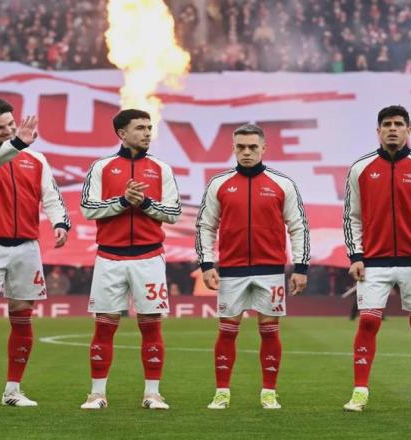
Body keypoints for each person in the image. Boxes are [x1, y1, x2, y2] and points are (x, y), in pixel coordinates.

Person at [0, 97, 71, 409]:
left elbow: (51, 195)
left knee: (22, 316)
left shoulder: (36, 159)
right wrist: (18, 144)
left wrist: (60, 223)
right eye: (0, 128)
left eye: (11, 124)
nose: (9, 131)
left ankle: (13, 391)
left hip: (26, 246)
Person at [343, 105, 411, 412]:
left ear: (408, 130)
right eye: (387, 124)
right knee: (367, 321)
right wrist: (356, 255)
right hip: (373, 261)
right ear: (378, 131)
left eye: (398, 124)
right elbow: (351, 216)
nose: (393, 128)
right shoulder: (361, 168)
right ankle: (360, 393)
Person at [196, 123, 310, 409]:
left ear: (263, 148)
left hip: (270, 270)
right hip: (231, 270)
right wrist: (207, 264)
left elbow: (298, 227)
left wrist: (301, 267)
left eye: (252, 147)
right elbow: (205, 226)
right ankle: (222, 392)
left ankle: (268, 392)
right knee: (227, 330)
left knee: (269, 330)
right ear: (233, 149)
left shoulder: (282, 183)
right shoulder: (219, 183)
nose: (246, 152)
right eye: (241, 147)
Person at [80, 109, 181, 410]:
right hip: (109, 257)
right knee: (104, 326)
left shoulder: (161, 168)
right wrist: (123, 201)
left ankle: (153, 394)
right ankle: (97, 394)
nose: (147, 133)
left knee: (151, 326)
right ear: (122, 134)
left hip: (150, 257)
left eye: (149, 127)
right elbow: (88, 208)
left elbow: (174, 213)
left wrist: (145, 203)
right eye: (140, 128)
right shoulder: (102, 167)